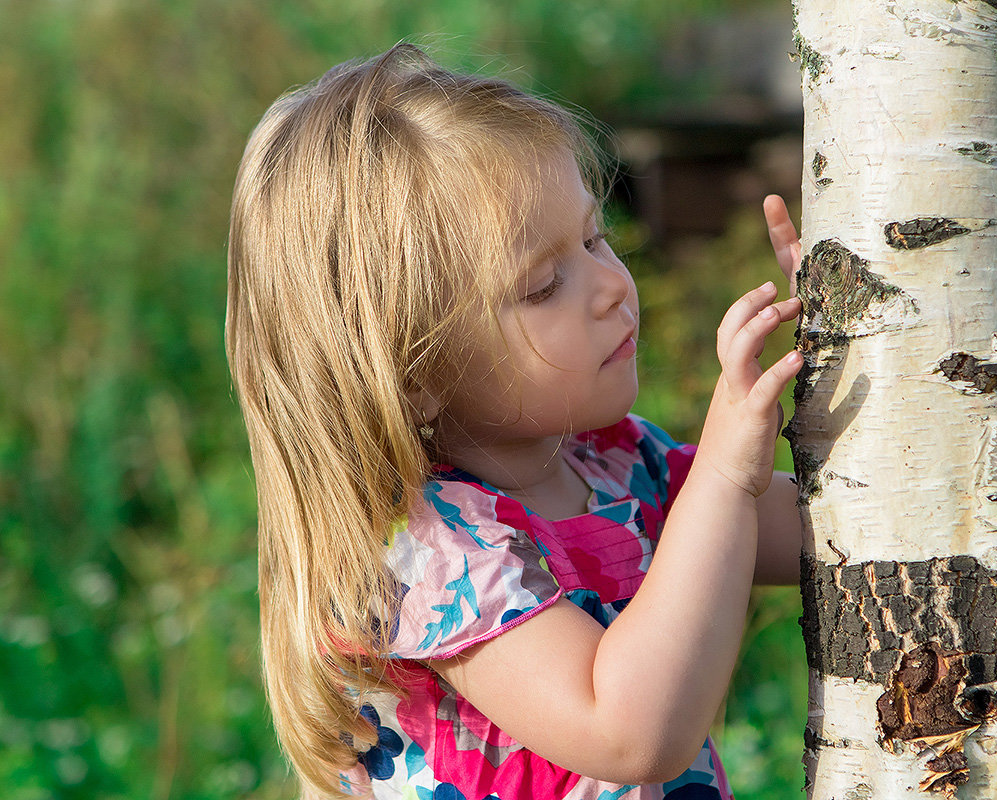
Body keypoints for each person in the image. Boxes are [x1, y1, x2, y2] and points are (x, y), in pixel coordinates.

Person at [226, 42, 807, 800]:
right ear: (415, 375)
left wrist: (859, 338)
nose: (608, 286)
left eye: (597, 238)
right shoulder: (428, 551)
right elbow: (633, 731)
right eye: (542, 285)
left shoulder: (618, 464)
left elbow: (838, 529)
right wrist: (725, 477)